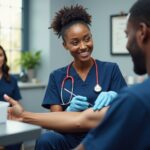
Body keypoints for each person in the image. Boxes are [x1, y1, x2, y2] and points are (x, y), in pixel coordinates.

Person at [3, 4, 126, 150]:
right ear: (65, 45)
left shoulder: (110, 69)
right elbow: (56, 121)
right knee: (46, 139)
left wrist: (114, 97)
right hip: (68, 138)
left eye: (87, 39)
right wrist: (68, 111)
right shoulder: (57, 76)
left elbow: (125, 111)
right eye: (75, 42)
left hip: (101, 136)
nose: (83, 46)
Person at [74, 0, 150, 149]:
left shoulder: (136, 99)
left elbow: (83, 123)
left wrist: (25, 117)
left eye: (127, 35)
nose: (127, 44)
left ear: (142, 32)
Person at [0, 45, 22, 150]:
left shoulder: (12, 80)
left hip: (8, 121)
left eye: (0, 55)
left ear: (4, 58)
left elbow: (17, 105)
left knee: (15, 141)